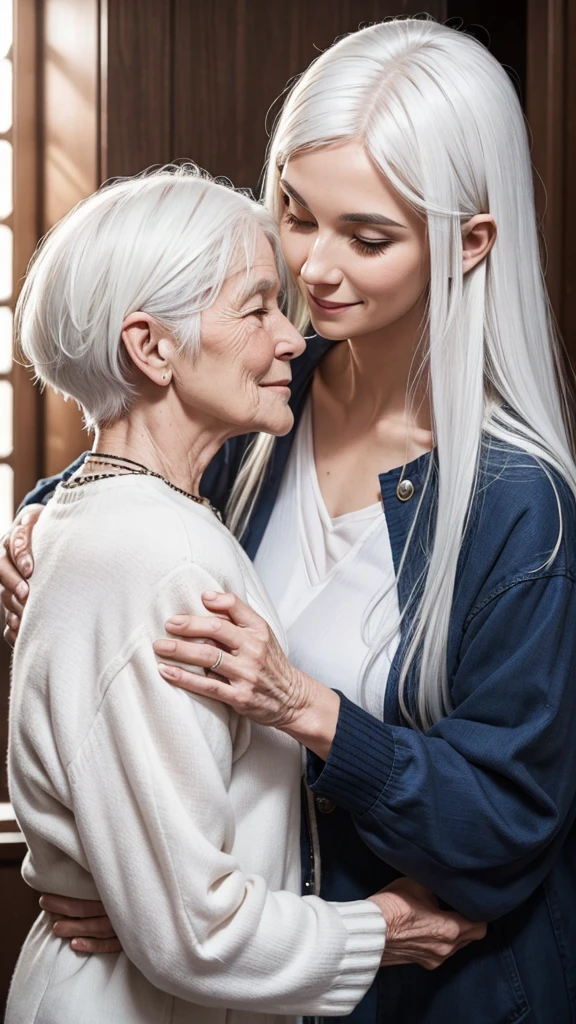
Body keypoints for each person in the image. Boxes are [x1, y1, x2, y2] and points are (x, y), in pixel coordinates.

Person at [3, 15, 576, 1024]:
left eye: (369, 237)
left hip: (431, 995)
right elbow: (133, 474)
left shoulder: (518, 507)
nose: (314, 269)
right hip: (244, 984)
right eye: (297, 214)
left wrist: (309, 711)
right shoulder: (255, 401)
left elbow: (505, 827)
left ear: (472, 242)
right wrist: (36, 530)